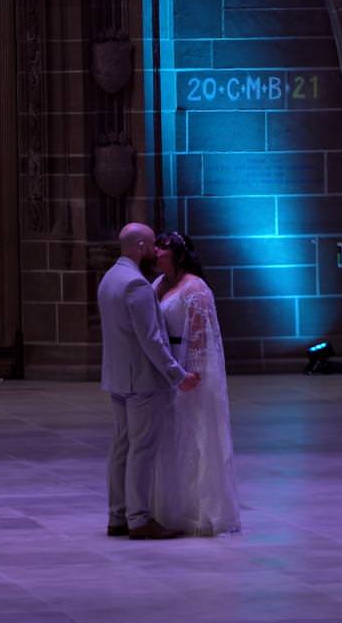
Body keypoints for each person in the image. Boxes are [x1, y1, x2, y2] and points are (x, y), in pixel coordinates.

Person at [100, 222, 200, 540]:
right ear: (141, 246)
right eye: (152, 245)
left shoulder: (109, 278)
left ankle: (117, 516)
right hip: (140, 380)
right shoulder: (137, 285)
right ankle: (139, 519)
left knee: (121, 447)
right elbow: (151, 340)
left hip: (116, 376)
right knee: (140, 449)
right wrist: (177, 375)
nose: (155, 251)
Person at [148, 231, 242, 536]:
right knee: (167, 435)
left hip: (186, 363)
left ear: (178, 254)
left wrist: (192, 372)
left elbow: (201, 333)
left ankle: (199, 508)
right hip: (163, 361)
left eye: (162, 247)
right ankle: (168, 505)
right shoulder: (158, 285)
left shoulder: (195, 288)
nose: (156, 251)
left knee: (193, 433)